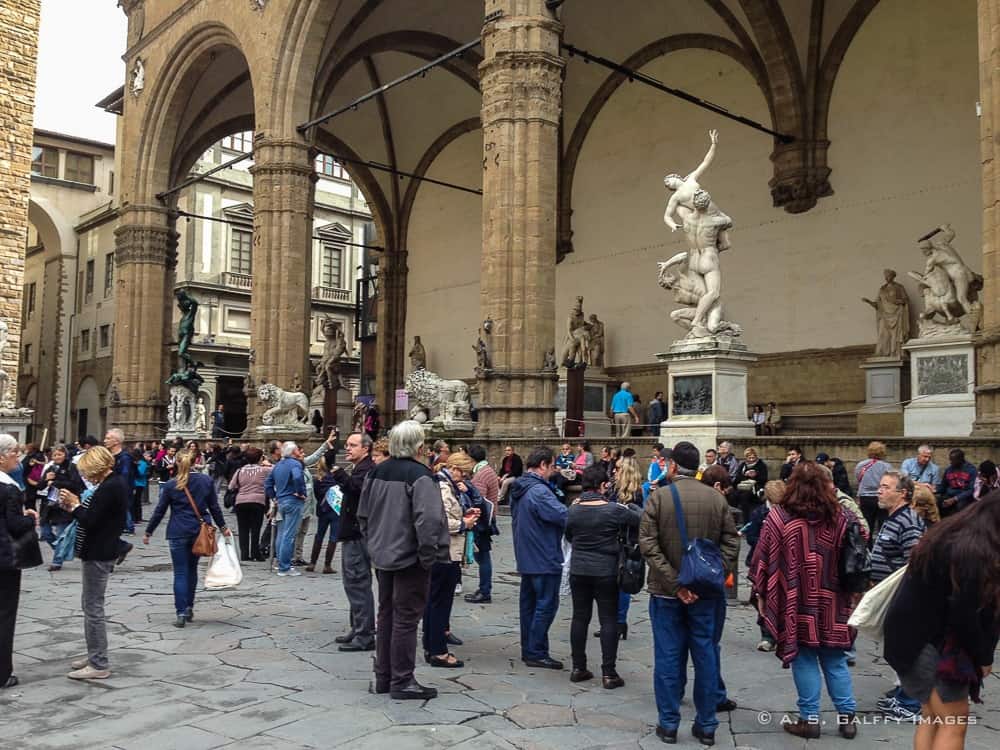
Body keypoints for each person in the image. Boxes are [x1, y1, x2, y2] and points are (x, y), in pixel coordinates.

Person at [639, 441, 739, 746]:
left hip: (667, 595)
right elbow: (732, 543)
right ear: (696, 467)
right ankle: (707, 725)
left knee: (669, 657)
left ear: (671, 466)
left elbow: (648, 545)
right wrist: (712, 575)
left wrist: (676, 584)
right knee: (706, 655)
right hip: (706, 595)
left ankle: (668, 724)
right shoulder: (716, 499)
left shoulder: (658, 498)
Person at [750, 462, 858, 740]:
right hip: (834, 597)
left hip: (795, 599)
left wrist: (763, 594)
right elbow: (859, 553)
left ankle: (809, 719)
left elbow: (762, 559)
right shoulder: (843, 516)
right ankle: (847, 720)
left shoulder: (779, 518)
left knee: (805, 656)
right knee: (835, 659)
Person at [884, 493, 1000, 750]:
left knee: (933, 717)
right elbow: (964, 612)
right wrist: (983, 658)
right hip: (927, 644)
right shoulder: (973, 551)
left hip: (911, 638)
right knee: (954, 723)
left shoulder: (954, 535)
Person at [358, 420, 446, 700]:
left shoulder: (377, 472)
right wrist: (428, 554)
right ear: (419, 446)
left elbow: (363, 514)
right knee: (406, 618)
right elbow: (429, 519)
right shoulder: (420, 475)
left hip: (382, 555)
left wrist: (373, 544)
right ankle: (402, 680)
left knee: (386, 614)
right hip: (410, 558)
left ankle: (384, 676)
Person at [565, 465, 641, 688]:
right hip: (606, 569)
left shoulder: (573, 509)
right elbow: (639, 519)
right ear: (603, 485)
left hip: (579, 569)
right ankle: (609, 673)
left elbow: (568, 535)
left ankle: (578, 667)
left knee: (580, 617)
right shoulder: (614, 510)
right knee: (608, 619)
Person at [59, 446, 129, 680]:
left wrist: (76, 504)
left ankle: (99, 663)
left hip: (99, 552)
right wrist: (74, 507)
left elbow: (90, 521)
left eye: (86, 471)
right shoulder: (111, 484)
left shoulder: (110, 488)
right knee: (90, 606)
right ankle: (94, 655)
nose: (85, 476)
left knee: (93, 609)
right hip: (99, 550)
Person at [144, 450, 230, 628]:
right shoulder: (206, 481)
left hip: (178, 530)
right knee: (192, 570)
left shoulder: (170, 485)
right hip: (199, 531)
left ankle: (181, 612)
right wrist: (223, 527)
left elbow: (160, 510)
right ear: (194, 462)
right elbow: (214, 507)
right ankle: (189, 606)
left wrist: (149, 531)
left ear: (176, 463)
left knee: (180, 572)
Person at [870, 471, 926, 720]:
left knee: (905, 647)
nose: (879, 491)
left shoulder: (909, 521)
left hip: (903, 595)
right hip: (889, 593)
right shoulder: (891, 518)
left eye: (885, 487)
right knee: (895, 646)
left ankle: (912, 701)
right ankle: (904, 690)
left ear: (902, 493)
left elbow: (914, 561)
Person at [510, 446, 567, 669]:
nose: (554, 471)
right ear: (543, 465)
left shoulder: (521, 487)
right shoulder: (539, 492)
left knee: (530, 605)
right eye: (552, 466)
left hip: (527, 556)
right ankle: (536, 650)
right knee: (545, 605)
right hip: (544, 556)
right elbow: (562, 515)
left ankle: (531, 648)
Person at [424, 452, 481, 668]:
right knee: (439, 601)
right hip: (445, 551)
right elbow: (442, 521)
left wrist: (466, 512)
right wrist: (464, 524)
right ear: (455, 469)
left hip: (444, 551)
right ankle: (438, 651)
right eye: (464, 474)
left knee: (435, 600)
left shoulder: (446, 485)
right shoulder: (443, 486)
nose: (465, 479)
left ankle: (431, 644)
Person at [0, 434, 39, 689]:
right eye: (14, 452)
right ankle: (3, 672)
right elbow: (14, 524)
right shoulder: (9, 489)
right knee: (4, 614)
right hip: (4, 559)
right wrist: (30, 517)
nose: (18, 456)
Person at [335, 432, 376, 652]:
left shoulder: (367, 469)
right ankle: (358, 627)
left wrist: (340, 476)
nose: (348, 448)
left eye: (353, 445)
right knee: (352, 583)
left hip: (357, 533)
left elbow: (357, 489)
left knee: (357, 582)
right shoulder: (360, 468)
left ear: (366, 448)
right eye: (348, 445)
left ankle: (365, 634)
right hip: (352, 532)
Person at [743, 480, 786, 652]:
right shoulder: (759, 513)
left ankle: (781, 633)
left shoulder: (791, 513)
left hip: (782, 562)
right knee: (761, 596)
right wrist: (765, 542)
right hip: (761, 561)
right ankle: (767, 635)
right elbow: (750, 537)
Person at [264, 442, 307, 576]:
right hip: (293, 500)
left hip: (281, 501)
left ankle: (280, 563)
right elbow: (298, 477)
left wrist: (274, 497)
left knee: (281, 533)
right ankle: (285, 567)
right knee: (289, 535)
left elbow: (268, 484)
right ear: (294, 452)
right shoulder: (295, 464)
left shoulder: (278, 466)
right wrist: (300, 492)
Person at [39, 443, 84, 571]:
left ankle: (57, 561)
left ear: (65, 454)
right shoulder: (51, 468)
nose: (57, 457)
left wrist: (57, 482)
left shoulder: (71, 467)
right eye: (55, 454)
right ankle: (62, 550)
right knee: (45, 532)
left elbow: (76, 485)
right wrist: (46, 480)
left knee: (61, 533)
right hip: (50, 504)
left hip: (64, 504)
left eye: (60, 454)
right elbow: (40, 486)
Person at [465, 444, 500, 604]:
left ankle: (485, 591)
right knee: (483, 556)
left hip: (481, 522)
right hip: (487, 519)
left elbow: (478, 500)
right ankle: (484, 588)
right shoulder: (487, 470)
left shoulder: (480, 475)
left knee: (482, 556)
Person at [229, 447, 272, 562]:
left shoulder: (240, 470)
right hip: (257, 501)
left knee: (243, 529)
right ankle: (255, 553)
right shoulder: (264, 470)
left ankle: (244, 554)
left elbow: (231, 486)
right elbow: (278, 470)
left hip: (241, 501)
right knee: (255, 528)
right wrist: (268, 463)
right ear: (260, 458)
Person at [307, 451, 340, 573]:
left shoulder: (318, 479)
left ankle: (312, 563)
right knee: (333, 537)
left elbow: (316, 495)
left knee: (319, 535)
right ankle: (327, 565)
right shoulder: (336, 477)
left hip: (323, 509)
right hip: (335, 509)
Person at [855, 441, 893, 536]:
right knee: (882, 524)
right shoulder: (887, 466)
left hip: (865, 497)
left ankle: (868, 546)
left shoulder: (861, 465)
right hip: (882, 496)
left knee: (867, 525)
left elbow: (858, 477)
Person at [937, 448, 977, 518]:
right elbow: (943, 487)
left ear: (960, 459)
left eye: (953, 460)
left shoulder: (971, 470)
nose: (950, 462)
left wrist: (955, 499)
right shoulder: (949, 470)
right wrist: (933, 489)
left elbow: (971, 490)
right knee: (939, 502)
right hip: (950, 495)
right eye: (950, 459)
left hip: (963, 497)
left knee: (960, 505)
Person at [733, 447, 767, 522]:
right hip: (742, 486)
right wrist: (745, 475)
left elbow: (764, 479)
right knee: (734, 495)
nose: (751, 459)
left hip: (755, 487)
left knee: (745, 496)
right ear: (746, 457)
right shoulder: (743, 465)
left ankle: (746, 519)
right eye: (749, 458)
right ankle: (734, 518)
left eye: (753, 457)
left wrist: (756, 475)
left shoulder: (761, 465)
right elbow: (737, 479)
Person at [131, 448, 149, 528]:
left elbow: (140, 473)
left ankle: (137, 518)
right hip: (136, 483)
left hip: (139, 484)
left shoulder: (142, 463)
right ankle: (136, 517)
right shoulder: (139, 462)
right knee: (135, 501)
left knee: (136, 501)